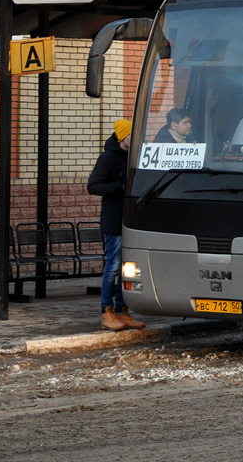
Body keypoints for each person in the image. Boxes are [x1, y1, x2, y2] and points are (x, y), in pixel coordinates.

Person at [86, 119, 146, 331]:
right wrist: (120, 187)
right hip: (114, 221)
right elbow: (93, 186)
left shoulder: (135, 157)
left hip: (130, 221)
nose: (137, 138)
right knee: (112, 266)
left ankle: (123, 311)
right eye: (133, 135)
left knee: (127, 268)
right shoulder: (108, 158)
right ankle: (107, 311)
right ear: (123, 137)